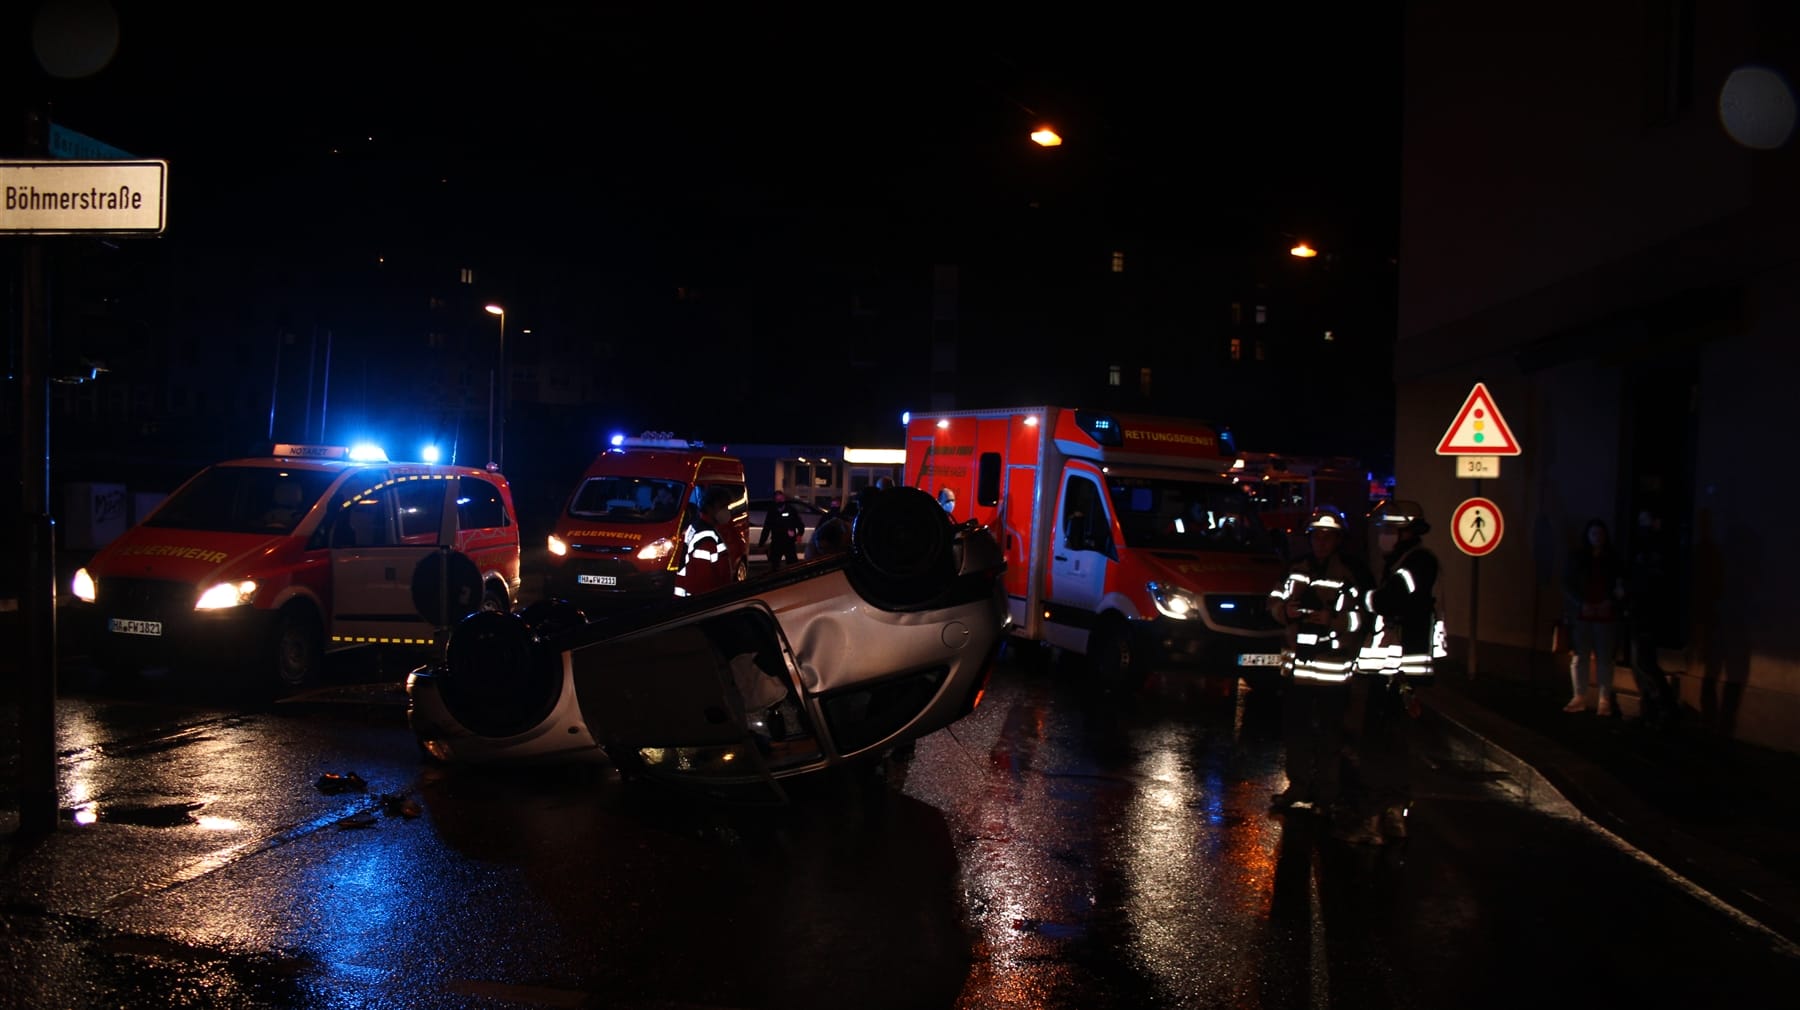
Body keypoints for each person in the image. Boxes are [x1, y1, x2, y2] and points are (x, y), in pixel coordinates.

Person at [1341, 498, 1443, 845]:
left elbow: (1392, 601)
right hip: (1390, 673)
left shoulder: (1418, 563)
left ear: (1406, 532)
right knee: (1384, 742)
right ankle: (1386, 814)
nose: (1383, 536)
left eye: (1389, 530)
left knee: (1387, 744)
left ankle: (1384, 815)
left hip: (1400, 675)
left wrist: (1368, 598)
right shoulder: (1400, 562)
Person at [1266, 505, 1373, 815]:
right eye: (1316, 536)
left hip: (1332, 670)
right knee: (1296, 731)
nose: (1321, 542)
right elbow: (1273, 600)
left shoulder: (1353, 573)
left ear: (1339, 539)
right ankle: (1298, 786)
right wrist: (1283, 612)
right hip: (1298, 669)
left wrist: (1333, 620)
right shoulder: (1296, 567)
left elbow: (1363, 617)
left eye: (1328, 537)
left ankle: (1327, 794)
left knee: (1330, 733)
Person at [1562, 517, 1626, 715]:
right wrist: (1581, 603)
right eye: (1593, 534)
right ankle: (1579, 696)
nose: (1597, 537)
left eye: (1600, 534)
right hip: (1584, 613)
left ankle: (1604, 699)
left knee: (1604, 658)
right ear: (1587, 536)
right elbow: (1568, 584)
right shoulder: (1578, 558)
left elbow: (1621, 585)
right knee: (1580, 656)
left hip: (1605, 614)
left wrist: (1611, 602)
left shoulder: (1613, 559)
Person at [1625, 509, 1678, 730]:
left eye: (1646, 519)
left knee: (1643, 661)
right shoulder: (1644, 547)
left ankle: (1664, 707)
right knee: (1638, 662)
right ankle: (1651, 711)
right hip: (1638, 611)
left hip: (1648, 613)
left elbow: (1654, 582)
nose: (1642, 524)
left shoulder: (1658, 548)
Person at [674, 487, 736, 598]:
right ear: (709, 507)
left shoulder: (698, 526)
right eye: (722, 507)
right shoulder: (705, 537)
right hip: (701, 604)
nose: (726, 511)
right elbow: (702, 580)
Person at [758, 490, 807, 572]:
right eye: (777, 500)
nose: (779, 502)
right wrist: (761, 543)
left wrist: (800, 534)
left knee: (793, 566)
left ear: (784, 499)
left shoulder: (791, 510)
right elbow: (766, 528)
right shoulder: (772, 511)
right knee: (774, 566)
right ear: (774, 500)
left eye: (781, 499)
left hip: (789, 542)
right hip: (776, 542)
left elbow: (799, 524)